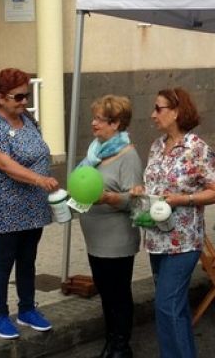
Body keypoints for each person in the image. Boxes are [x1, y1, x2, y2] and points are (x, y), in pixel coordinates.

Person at [130, 87, 215, 358]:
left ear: (176, 112)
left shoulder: (198, 149)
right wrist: (140, 192)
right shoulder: (157, 146)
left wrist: (182, 200)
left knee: (165, 305)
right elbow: (155, 186)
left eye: (158, 108)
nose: (152, 115)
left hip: (183, 241)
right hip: (156, 239)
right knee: (177, 307)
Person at [0, 68, 60, 339]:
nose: (24, 101)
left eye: (27, 95)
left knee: (28, 259)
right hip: (4, 205)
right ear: (1, 98)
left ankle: (27, 309)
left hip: (32, 205)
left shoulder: (28, 120)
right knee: (4, 260)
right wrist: (39, 179)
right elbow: (5, 165)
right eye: (18, 97)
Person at [79, 95, 144, 358]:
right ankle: (111, 340)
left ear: (116, 124)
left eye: (100, 119)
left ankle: (121, 345)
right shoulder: (95, 151)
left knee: (118, 295)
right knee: (106, 294)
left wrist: (107, 197)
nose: (93, 124)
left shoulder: (128, 156)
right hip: (95, 239)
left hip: (116, 241)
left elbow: (135, 200)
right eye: (93, 118)